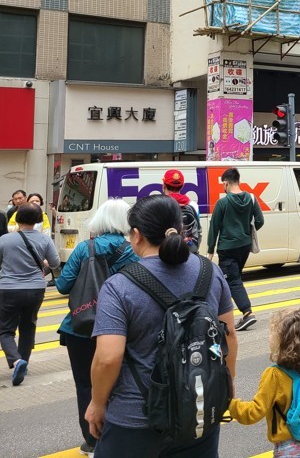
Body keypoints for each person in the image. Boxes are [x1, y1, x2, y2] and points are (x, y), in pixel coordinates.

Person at [86, 195, 238, 457]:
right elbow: (229, 335)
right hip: (199, 413)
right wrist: (226, 386)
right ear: (179, 228)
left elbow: (108, 358)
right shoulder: (209, 272)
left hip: (136, 420)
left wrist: (97, 404)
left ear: (136, 235)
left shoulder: (119, 286)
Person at [56, 200, 138, 456]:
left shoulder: (84, 248)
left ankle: (91, 441)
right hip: (118, 327)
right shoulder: (132, 250)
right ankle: (115, 435)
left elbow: (62, 286)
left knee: (85, 385)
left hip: (79, 327)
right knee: (117, 382)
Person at [229, 307, 300, 458]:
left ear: (283, 341)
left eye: (273, 332)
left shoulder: (274, 375)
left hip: (290, 448)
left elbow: (254, 412)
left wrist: (230, 404)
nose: (269, 336)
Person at [0, 203, 57, 386]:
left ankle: (17, 361)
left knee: (5, 329)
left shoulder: (5, 240)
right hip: (35, 289)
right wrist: (43, 264)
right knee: (28, 326)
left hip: (8, 289)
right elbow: (55, 263)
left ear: (17, 218)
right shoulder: (44, 240)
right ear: (39, 219)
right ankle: (23, 364)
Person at [207, 167, 263, 332]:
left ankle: (247, 313)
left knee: (232, 280)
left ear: (225, 183)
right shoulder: (251, 198)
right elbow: (259, 221)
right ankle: (223, 313)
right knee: (234, 277)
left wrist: (210, 251)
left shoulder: (223, 203)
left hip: (227, 247)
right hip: (244, 246)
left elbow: (214, 227)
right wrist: (246, 231)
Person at [162, 169, 202, 254]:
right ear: (182, 186)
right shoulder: (193, 205)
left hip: (166, 252)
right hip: (188, 250)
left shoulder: (159, 204)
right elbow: (198, 229)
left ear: (164, 185)